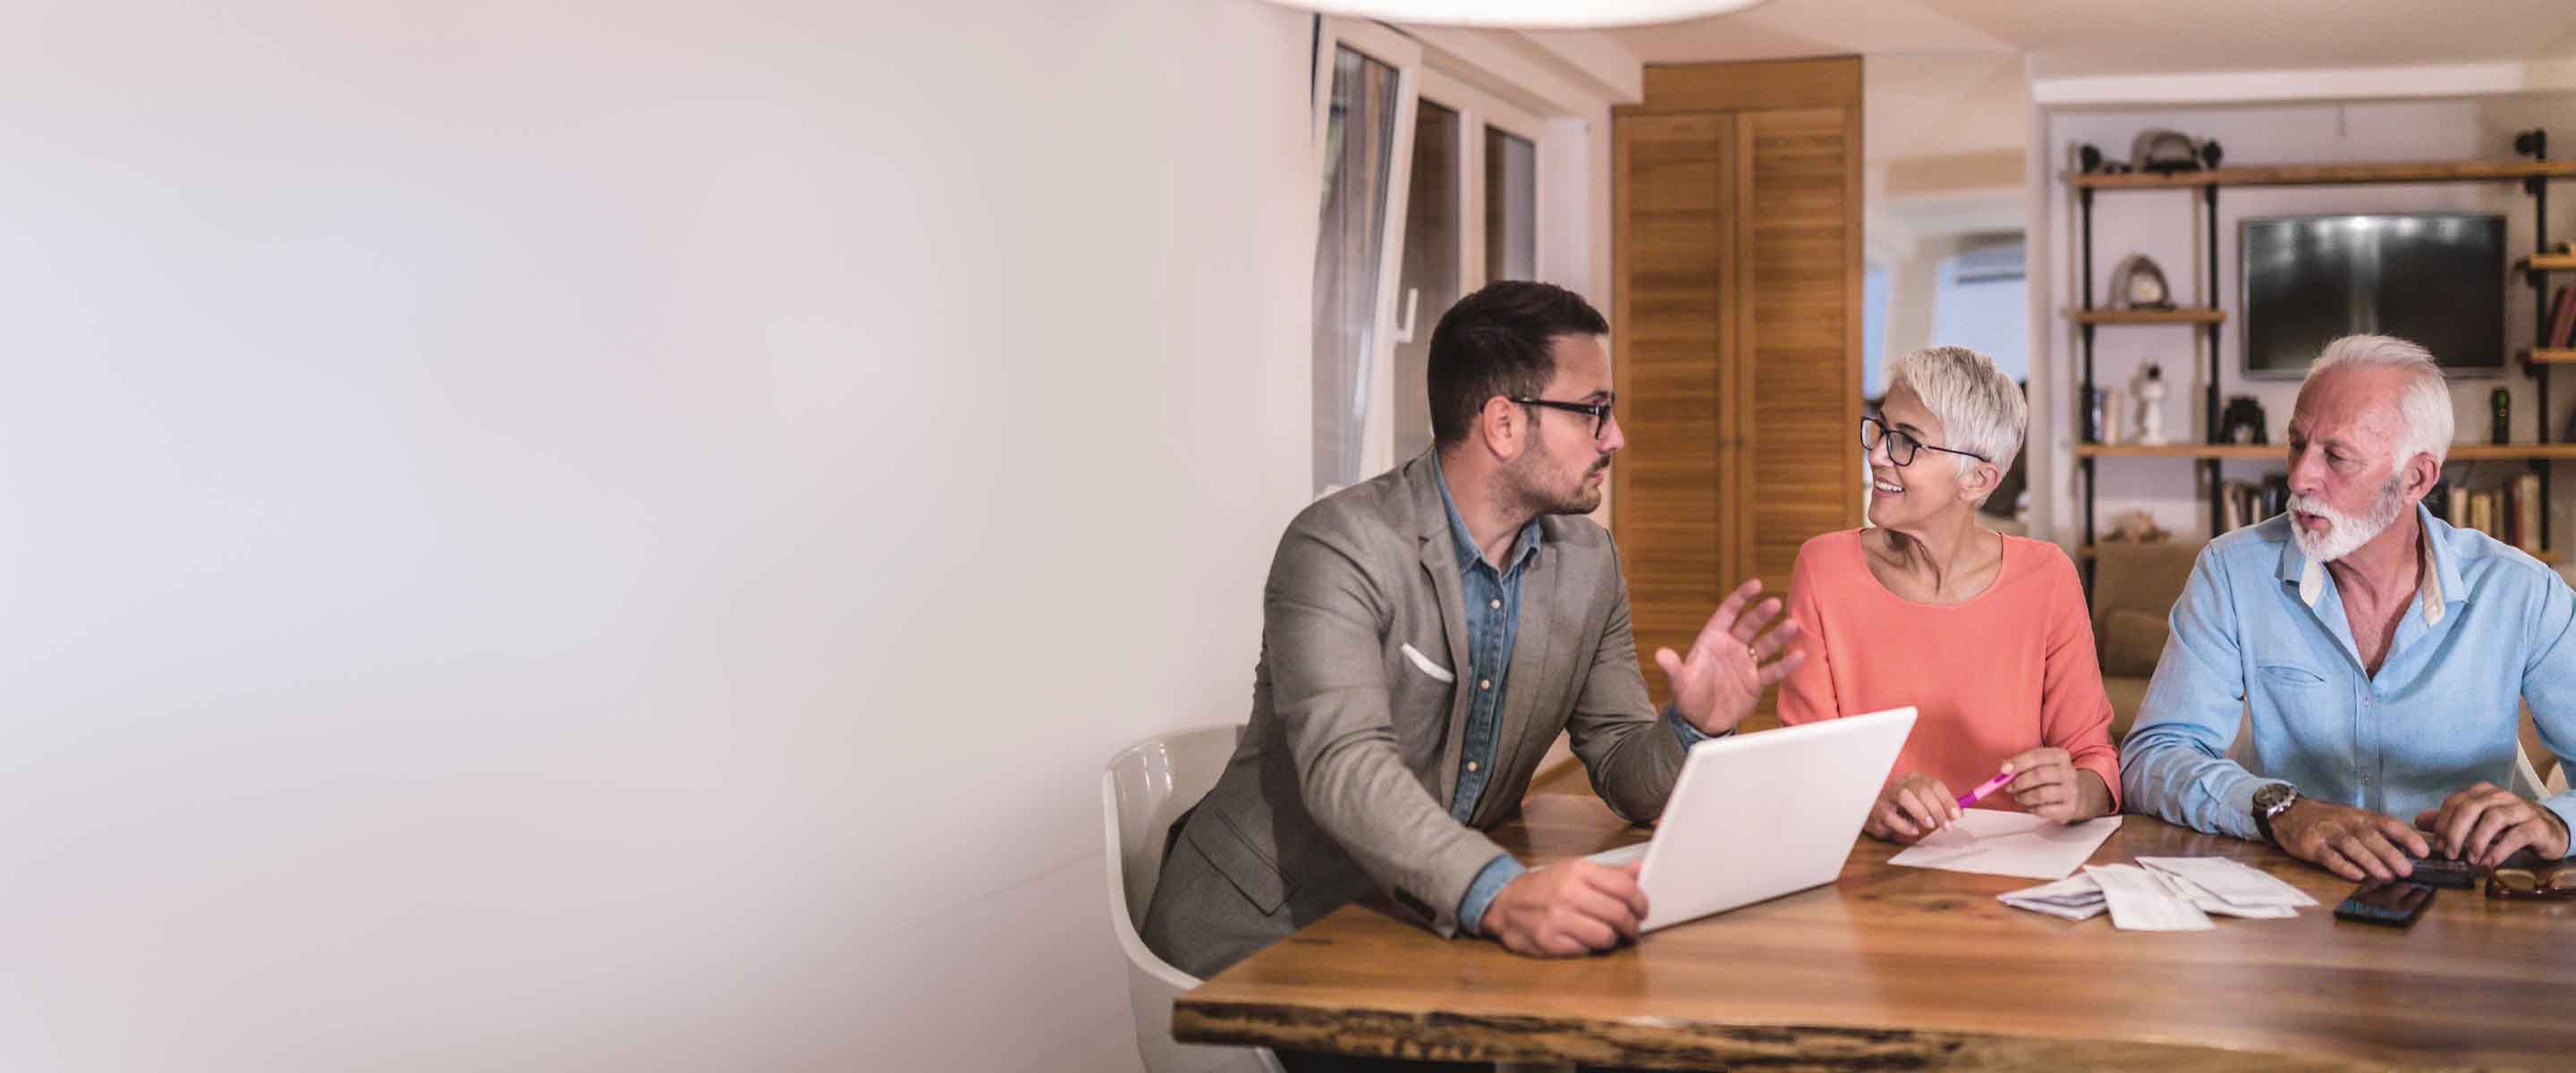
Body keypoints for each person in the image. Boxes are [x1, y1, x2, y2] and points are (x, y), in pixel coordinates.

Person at [1140, 282, 1802, 998]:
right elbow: (1346, 766)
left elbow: (1620, 766)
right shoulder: (1339, 546)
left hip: (1417, 927)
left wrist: (1691, 728)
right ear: (1503, 424)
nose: (1616, 438)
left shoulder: (1589, 562)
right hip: (1267, 937)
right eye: (1594, 412)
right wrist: (1500, 892)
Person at [2122, 334, 2576, 879]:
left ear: (2417, 478)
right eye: (2297, 445)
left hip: (2470, 901)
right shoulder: (2231, 572)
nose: (2298, 478)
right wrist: (2281, 809)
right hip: (2294, 895)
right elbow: (2154, 756)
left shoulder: (2520, 591)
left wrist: (2559, 824)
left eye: (2335, 456)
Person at [1780, 346, 2119, 841]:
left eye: (1907, 443)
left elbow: (2094, 761)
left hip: (2016, 872)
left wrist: (2076, 793)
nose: (1876, 455)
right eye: (1880, 430)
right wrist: (1869, 799)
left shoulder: (2047, 578)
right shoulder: (1823, 569)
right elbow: (1803, 761)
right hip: (1870, 871)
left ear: (1978, 479)